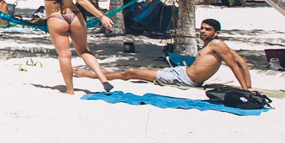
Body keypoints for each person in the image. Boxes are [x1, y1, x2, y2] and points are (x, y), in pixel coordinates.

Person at [22, 0, 116, 95]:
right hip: (74, 15)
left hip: (55, 17)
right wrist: (101, 16)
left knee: (65, 55)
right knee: (84, 50)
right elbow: (82, 1)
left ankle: (70, 89)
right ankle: (102, 78)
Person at [86, 18, 253, 90]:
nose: (202, 32)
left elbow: (234, 65)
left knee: (131, 72)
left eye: (207, 30)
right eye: (201, 28)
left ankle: (94, 76)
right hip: (181, 73)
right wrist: (249, 87)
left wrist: (245, 89)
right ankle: (95, 74)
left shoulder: (217, 44)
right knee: (131, 70)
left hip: (184, 79)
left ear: (216, 32)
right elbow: (242, 61)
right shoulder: (217, 44)